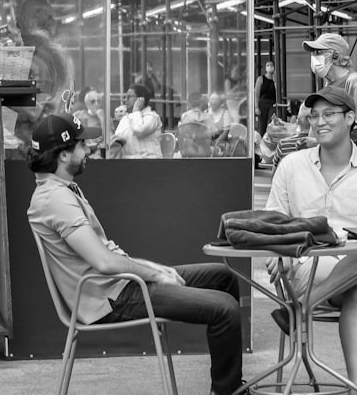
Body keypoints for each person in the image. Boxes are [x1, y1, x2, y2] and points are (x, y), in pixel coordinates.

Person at [26, 112, 245, 395]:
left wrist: (154, 270)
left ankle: (229, 386)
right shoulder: (54, 199)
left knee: (223, 277)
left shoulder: (61, 190)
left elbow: (105, 256)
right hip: (110, 298)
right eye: (81, 145)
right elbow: (103, 262)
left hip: (120, 285)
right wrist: (155, 273)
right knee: (224, 309)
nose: (89, 148)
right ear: (63, 155)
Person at [266, 86, 357, 394]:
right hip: (310, 267)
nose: (319, 122)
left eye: (329, 114)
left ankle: (301, 309)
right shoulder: (292, 165)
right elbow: (273, 221)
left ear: (350, 118)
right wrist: (281, 251)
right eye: (314, 115)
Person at [10, 0, 74, 158]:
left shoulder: (41, 57)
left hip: (36, 149)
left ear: (31, 21)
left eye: (19, 23)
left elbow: (34, 109)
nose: (18, 29)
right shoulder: (60, 55)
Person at [303, 32, 357, 154]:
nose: (314, 57)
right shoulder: (326, 87)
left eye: (318, 52)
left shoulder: (355, 83)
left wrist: (320, 142)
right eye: (313, 53)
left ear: (336, 56)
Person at [109, 83, 163, 158]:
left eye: (129, 97)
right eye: (125, 97)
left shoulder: (152, 117)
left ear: (141, 99)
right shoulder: (126, 119)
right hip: (128, 163)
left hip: (148, 161)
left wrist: (136, 109)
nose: (126, 99)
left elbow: (139, 130)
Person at [72, 87, 107, 158]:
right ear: (86, 104)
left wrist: (102, 119)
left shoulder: (105, 117)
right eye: (93, 101)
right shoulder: (78, 115)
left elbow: (108, 138)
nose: (96, 104)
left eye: (98, 101)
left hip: (99, 152)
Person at [254, 60, 278, 135]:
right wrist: (256, 107)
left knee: (272, 123)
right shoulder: (261, 79)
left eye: (271, 65)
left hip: (272, 104)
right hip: (263, 104)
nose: (270, 67)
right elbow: (257, 94)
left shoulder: (276, 79)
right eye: (268, 65)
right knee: (262, 125)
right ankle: (261, 141)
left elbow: (279, 92)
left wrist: (275, 81)